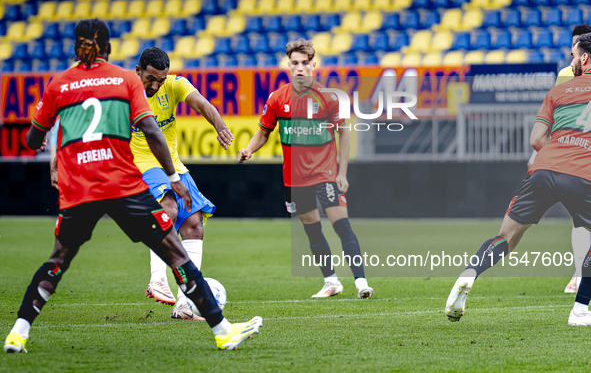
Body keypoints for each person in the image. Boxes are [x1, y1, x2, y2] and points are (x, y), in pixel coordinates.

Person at [4, 18, 261, 353]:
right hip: (124, 180)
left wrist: (54, 160)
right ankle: (220, 328)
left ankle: (18, 332)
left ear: (73, 47)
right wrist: (171, 178)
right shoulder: (123, 80)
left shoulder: (60, 83)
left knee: (58, 259)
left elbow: (36, 135)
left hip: (83, 183)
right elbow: (152, 131)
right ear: (109, 49)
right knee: (173, 247)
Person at [445, 33, 591, 326]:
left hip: (543, 170)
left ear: (584, 58)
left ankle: (469, 274)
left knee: (506, 238)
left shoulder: (557, 92)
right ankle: (580, 310)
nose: (572, 61)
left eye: (574, 57)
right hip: (582, 174)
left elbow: (536, 139)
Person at [237, 39, 374, 299]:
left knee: (341, 225)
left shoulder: (329, 98)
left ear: (313, 65)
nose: (299, 68)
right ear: (288, 65)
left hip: (325, 175)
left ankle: (361, 282)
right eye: (294, 63)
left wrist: (341, 173)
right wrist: (248, 149)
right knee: (312, 230)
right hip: (294, 180)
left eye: (304, 63)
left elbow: (343, 134)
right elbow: (263, 133)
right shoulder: (277, 98)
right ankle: (331, 281)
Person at [130, 47, 233, 321]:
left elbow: (202, 104)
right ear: (138, 70)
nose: (155, 85)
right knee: (170, 208)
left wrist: (219, 125)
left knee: (193, 224)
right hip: (141, 162)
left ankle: (185, 304)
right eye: (150, 78)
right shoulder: (125, 92)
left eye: (160, 80)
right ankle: (157, 278)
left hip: (172, 164)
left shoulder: (174, 85)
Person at [527, 24, 591, 294]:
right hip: (577, 155)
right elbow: (558, 119)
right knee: (581, 222)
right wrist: (537, 153)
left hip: (571, 155)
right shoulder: (566, 74)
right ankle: (579, 275)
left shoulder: (568, 72)